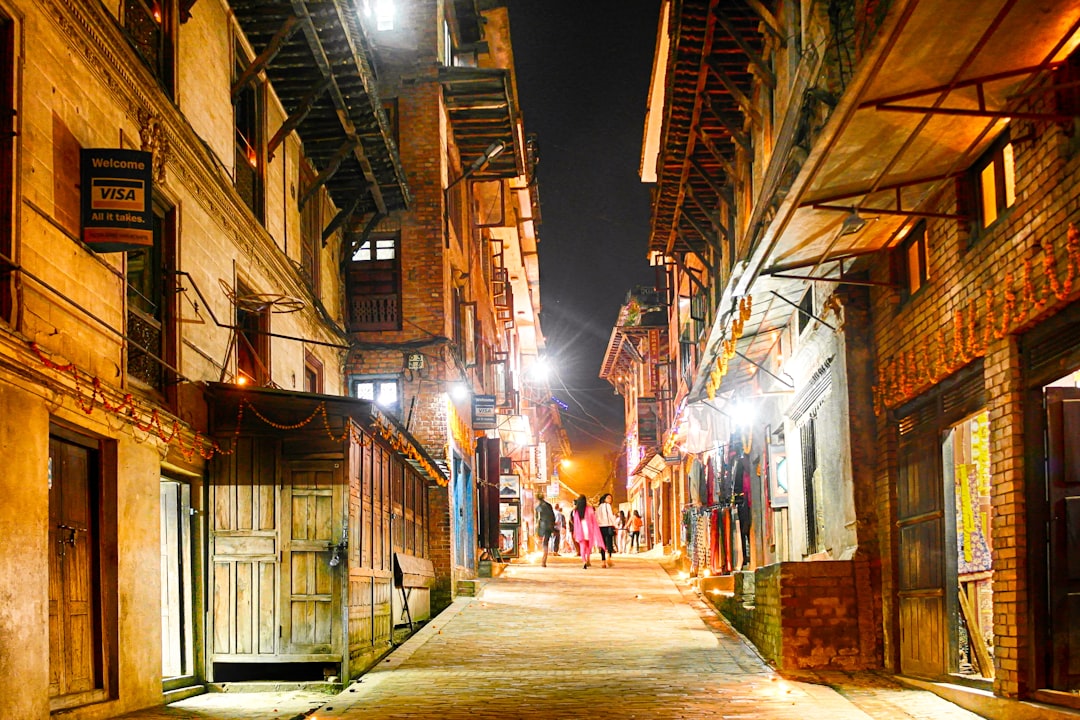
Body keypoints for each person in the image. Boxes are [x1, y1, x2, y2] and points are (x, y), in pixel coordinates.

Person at [571, 494, 605, 569]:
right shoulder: (589, 509)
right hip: (588, 529)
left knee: (582, 546)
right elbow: (594, 519)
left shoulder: (576, 511)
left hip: (580, 529)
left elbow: (574, 521)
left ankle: (584, 561)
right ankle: (588, 559)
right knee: (588, 546)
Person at [596, 493, 617, 566]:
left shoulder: (598, 507)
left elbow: (596, 517)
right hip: (608, 526)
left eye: (610, 498)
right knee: (609, 543)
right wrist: (615, 525)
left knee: (603, 544)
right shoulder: (607, 505)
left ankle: (603, 562)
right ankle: (609, 558)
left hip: (600, 527)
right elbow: (611, 516)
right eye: (608, 498)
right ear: (604, 499)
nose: (610, 500)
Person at [535, 495, 555, 567]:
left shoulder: (538, 507)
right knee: (545, 543)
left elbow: (538, 519)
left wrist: (536, 529)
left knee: (542, 543)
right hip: (549, 527)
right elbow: (553, 517)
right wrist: (552, 527)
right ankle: (544, 560)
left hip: (542, 527)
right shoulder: (549, 505)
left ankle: (543, 560)